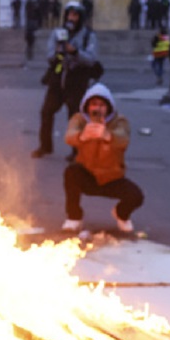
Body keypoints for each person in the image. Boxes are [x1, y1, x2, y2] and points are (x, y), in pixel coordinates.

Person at [61, 83, 144, 234]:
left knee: (136, 196)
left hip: (111, 177)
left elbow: (124, 139)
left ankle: (121, 214)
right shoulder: (79, 119)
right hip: (87, 174)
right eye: (93, 104)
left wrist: (107, 136)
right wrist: (83, 136)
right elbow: (68, 137)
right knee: (71, 172)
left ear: (108, 107)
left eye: (101, 105)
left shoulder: (119, 121)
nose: (97, 109)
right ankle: (74, 217)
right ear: (87, 106)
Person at [32, 0, 100, 159]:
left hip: (77, 80)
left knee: (75, 117)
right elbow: (49, 55)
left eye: (75, 15)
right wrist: (58, 52)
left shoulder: (88, 36)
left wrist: (75, 52)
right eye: (69, 14)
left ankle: (76, 151)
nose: (71, 18)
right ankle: (45, 146)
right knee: (46, 112)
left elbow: (91, 59)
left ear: (81, 17)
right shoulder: (58, 33)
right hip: (58, 78)